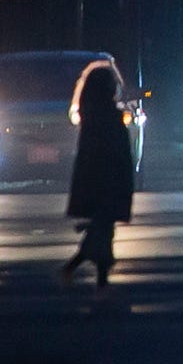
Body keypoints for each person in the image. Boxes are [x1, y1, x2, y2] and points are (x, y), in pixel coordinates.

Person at [61, 59, 135, 286]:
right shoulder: (110, 118)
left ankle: (88, 271)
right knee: (103, 231)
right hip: (110, 182)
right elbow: (120, 154)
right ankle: (86, 272)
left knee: (102, 230)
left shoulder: (90, 117)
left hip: (95, 184)